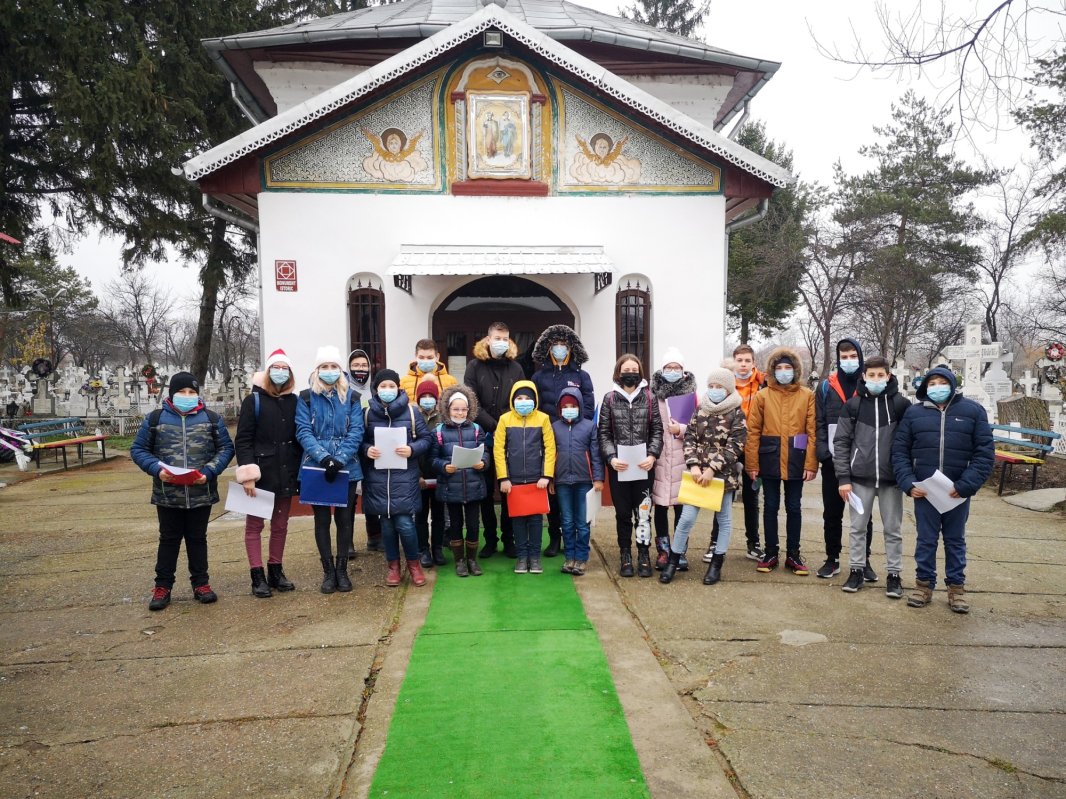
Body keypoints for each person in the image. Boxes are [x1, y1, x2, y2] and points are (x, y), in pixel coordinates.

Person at [891, 366, 994, 613]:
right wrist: (908, 483)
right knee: (925, 540)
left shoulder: (972, 411)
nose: (937, 387)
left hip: (956, 492)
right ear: (926, 387)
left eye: (942, 382)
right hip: (925, 491)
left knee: (955, 541)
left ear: (951, 384)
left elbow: (984, 452)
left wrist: (966, 485)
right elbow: (900, 451)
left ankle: (956, 588)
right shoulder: (914, 414)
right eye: (932, 383)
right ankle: (923, 585)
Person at [131, 372, 234, 611]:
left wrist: (208, 472)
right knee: (168, 539)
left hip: (201, 492)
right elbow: (139, 450)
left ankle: (201, 584)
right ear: (172, 395)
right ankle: (162, 586)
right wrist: (157, 469)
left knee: (198, 539)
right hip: (168, 493)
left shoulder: (211, 419)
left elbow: (226, 450)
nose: (187, 396)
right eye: (182, 392)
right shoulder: (155, 419)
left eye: (192, 392)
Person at [833, 356, 912, 598]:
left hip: (892, 481)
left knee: (893, 529)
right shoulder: (853, 406)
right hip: (859, 479)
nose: (876, 379)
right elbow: (841, 442)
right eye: (871, 375)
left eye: (880, 375)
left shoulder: (901, 405)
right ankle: (856, 570)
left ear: (888, 376)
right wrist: (843, 478)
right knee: (857, 528)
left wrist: (906, 475)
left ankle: (894, 575)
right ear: (864, 377)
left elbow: (910, 442)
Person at [661, 366, 747, 585]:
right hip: (697, 476)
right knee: (686, 518)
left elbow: (735, 445)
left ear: (728, 389)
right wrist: (695, 466)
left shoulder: (736, 412)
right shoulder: (701, 409)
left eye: (719, 387)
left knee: (724, 520)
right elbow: (689, 437)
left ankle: (716, 564)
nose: (715, 390)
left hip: (722, 478)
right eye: (711, 386)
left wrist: (712, 469)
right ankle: (673, 560)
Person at [296, 346, 365, 594]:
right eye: (324, 367)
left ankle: (342, 570)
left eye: (333, 366)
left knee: (344, 519)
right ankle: (328, 572)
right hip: (316, 467)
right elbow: (303, 431)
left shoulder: (353, 398)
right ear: (317, 370)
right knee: (322, 519)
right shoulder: (305, 398)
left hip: (347, 467)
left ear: (340, 370)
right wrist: (324, 459)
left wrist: (340, 458)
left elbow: (357, 431)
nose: (329, 371)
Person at [234, 348, 302, 598]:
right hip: (261, 474)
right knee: (254, 525)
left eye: (285, 368)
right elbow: (243, 440)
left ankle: (276, 570)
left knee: (281, 524)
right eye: (276, 368)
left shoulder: (295, 401)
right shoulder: (255, 401)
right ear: (268, 371)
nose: (280, 373)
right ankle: (257, 575)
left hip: (286, 472)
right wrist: (248, 472)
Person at [744, 347, 817, 575]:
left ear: (795, 370)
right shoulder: (763, 396)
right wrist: (752, 464)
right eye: (779, 368)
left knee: (794, 507)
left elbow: (812, 431)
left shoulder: (807, 395)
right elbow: (753, 431)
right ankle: (770, 552)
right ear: (772, 371)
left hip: (797, 459)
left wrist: (811, 463)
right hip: (770, 458)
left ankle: (793, 554)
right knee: (771, 506)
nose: (783, 372)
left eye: (788, 367)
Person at [361, 369, 433, 587]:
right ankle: (393, 566)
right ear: (376, 389)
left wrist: (412, 449)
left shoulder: (412, 412)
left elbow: (426, 439)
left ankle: (414, 564)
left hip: (405, 476)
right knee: (387, 526)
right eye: (383, 386)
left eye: (391, 386)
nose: (387, 390)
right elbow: (360, 441)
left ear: (398, 388)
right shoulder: (367, 414)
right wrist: (367, 450)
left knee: (404, 524)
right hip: (378, 478)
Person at [530, 324, 596, 557]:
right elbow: (535, 405)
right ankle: (556, 537)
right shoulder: (539, 376)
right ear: (548, 349)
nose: (559, 349)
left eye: (564, 346)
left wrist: (580, 429)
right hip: (549, 439)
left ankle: (579, 542)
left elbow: (588, 406)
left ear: (571, 349)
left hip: (576, 438)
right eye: (555, 346)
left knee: (576, 496)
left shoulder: (581, 376)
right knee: (554, 491)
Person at [597, 354, 664, 578]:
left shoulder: (650, 398)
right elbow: (603, 433)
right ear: (619, 372)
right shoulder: (609, 398)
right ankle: (625, 554)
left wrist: (653, 455)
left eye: (634, 369)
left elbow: (657, 430)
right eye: (626, 369)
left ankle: (644, 554)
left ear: (640, 372)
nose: (630, 373)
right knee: (623, 514)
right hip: (619, 468)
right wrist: (611, 458)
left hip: (644, 467)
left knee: (644, 513)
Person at [815, 338, 875, 581]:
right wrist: (821, 450)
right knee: (832, 512)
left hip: (862, 461)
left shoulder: (870, 385)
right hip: (832, 460)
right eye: (844, 356)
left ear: (860, 357)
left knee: (863, 514)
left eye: (852, 356)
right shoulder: (826, 387)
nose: (848, 361)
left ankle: (864, 560)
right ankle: (832, 559)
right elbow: (818, 421)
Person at [465, 321, 525, 558]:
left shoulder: (516, 368)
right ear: (487, 339)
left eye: (505, 339)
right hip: (483, 435)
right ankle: (489, 539)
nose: (501, 343)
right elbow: (471, 400)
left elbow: (521, 398)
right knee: (486, 491)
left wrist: (506, 425)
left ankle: (508, 540)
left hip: (510, 437)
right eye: (497, 338)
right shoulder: (474, 366)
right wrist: (494, 424)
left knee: (509, 487)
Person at [494, 381, 556, 574]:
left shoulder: (543, 419)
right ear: (513, 400)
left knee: (536, 520)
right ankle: (522, 557)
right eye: (519, 398)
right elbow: (498, 450)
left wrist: (546, 475)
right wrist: (503, 478)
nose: (523, 401)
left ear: (535, 399)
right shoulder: (504, 419)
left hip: (537, 480)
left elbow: (550, 448)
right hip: (512, 481)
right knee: (518, 520)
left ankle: (535, 557)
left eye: (527, 398)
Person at [711, 344, 766, 563]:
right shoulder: (725, 384)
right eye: (739, 360)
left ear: (754, 363)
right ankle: (714, 542)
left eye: (747, 360)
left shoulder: (763, 384)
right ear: (733, 362)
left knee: (752, 497)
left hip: (753, 449)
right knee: (721, 496)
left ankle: (753, 543)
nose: (743, 365)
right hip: (727, 448)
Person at [430, 385, 490, 576]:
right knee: (455, 525)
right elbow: (432, 459)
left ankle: (472, 560)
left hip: (473, 486)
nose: (460, 412)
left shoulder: (476, 429)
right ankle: (459, 561)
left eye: (464, 409)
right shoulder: (438, 431)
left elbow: (485, 452)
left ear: (469, 409)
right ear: (447, 409)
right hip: (451, 487)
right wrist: (443, 467)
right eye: (456, 409)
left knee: (473, 525)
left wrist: (483, 463)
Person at [650, 347, 696, 571]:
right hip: (659, 459)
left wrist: (681, 429)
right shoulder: (653, 396)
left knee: (681, 509)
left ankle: (680, 551)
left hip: (683, 460)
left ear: (683, 370)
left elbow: (699, 429)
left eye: (677, 367)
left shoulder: (691, 397)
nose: (672, 371)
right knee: (660, 507)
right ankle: (663, 550)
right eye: (669, 367)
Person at [551, 388, 604, 576]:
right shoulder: (554, 427)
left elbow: (596, 455)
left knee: (582, 522)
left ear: (580, 406)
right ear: (559, 409)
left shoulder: (590, 426)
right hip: (562, 481)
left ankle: (581, 558)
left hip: (584, 481)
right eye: (565, 406)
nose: (569, 409)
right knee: (566, 521)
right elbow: (550, 455)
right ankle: (569, 556)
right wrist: (551, 478)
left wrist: (598, 478)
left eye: (572, 406)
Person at [348, 348, 381, 554]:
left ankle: (374, 537)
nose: (360, 369)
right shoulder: (345, 391)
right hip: (350, 449)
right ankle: (348, 542)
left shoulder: (375, 391)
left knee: (371, 493)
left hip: (371, 448)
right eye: (356, 366)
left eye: (363, 365)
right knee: (350, 498)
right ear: (349, 368)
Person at [413, 380, 446, 568]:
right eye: (423, 397)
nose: (427, 400)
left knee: (439, 514)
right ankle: (423, 549)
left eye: (431, 397)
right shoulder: (412, 417)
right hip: (419, 477)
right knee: (420, 514)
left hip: (440, 474)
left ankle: (438, 548)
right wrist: (417, 475)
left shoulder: (443, 417)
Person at [399, 338, 457, 403]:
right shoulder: (404, 382)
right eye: (421, 357)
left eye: (430, 357)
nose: (425, 360)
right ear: (416, 356)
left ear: (437, 357)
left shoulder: (451, 381)